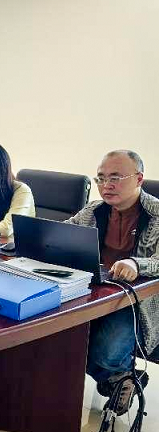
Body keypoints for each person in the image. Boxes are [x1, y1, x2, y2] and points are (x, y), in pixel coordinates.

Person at [66, 150, 159, 415]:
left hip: (136, 301)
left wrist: (137, 264)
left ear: (139, 179)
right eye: (101, 178)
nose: (106, 185)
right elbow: (64, 232)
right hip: (93, 292)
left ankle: (116, 374)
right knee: (57, 338)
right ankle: (122, 378)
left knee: (106, 352)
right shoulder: (94, 211)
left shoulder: (156, 214)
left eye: (115, 177)